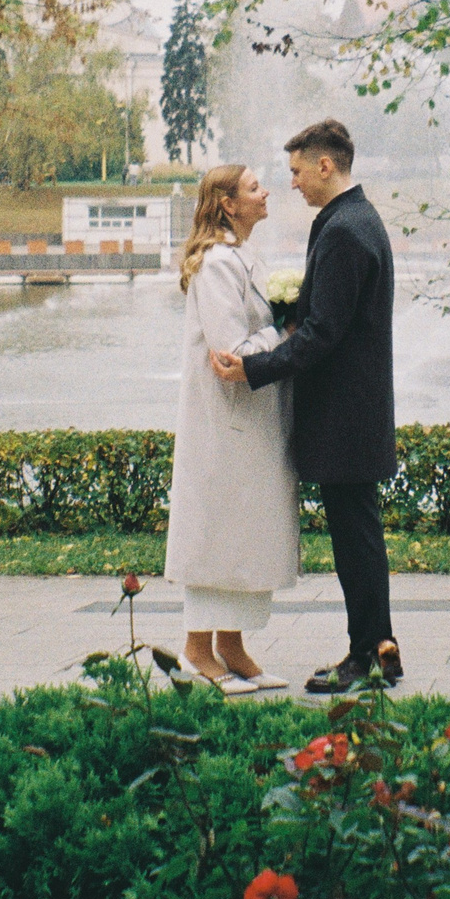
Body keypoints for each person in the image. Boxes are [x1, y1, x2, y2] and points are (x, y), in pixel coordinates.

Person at [210, 119, 400, 694]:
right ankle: (381, 648)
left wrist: (254, 367)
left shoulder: (344, 230)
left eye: (295, 171)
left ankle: (365, 657)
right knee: (359, 536)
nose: (289, 183)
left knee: (356, 542)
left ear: (325, 165)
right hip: (357, 413)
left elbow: (324, 336)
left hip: (345, 417)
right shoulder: (354, 220)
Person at [163, 164, 298, 694]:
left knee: (246, 531)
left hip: (251, 422)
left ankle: (233, 645)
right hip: (225, 422)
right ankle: (198, 649)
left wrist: (277, 330)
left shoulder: (244, 257)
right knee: (218, 528)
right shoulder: (218, 264)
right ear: (227, 205)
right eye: (253, 188)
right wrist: (284, 331)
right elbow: (230, 351)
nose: (265, 193)